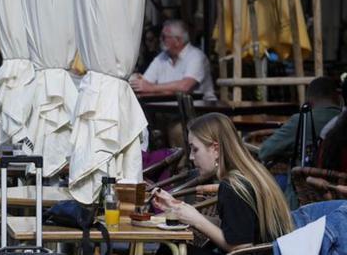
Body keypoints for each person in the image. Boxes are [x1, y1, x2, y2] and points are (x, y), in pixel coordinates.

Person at [152, 113, 292, 254]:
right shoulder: (249, 174)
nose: (191, 157)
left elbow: (241, 248)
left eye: (195, 149)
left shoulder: (233, 186)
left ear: (215, 149)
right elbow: (236, 228)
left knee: (169, 251)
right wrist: (182, 209)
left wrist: (196, 219)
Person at [258, 76, 342, 207]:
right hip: (340, 193)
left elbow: (264, 152)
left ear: (309, 100)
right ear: (337, 97)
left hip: (304, 197)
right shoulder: (342, 119)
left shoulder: (301, 120)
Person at [130, 19, 216, 102]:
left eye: (164, 37)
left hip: (202, 112)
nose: (160, 40)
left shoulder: (196, 56)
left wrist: (152, 88)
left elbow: (185, 86)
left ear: (178, 40)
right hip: (169, 109)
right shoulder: (161, 57)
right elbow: (145, 83)